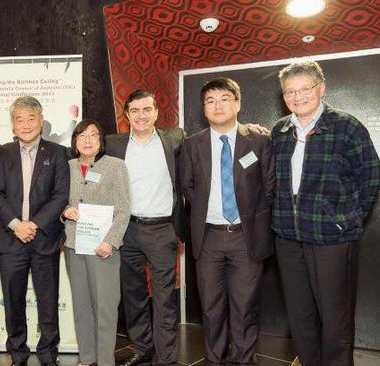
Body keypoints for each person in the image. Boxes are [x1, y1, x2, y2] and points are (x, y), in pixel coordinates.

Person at [272, 61, 380, 366]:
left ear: (321, 88)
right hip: (288, 239)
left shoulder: (347, 126)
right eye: (290, 91)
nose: (297, 96)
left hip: (332, 238)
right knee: (300, 315)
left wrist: (347, 220)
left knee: (336, 317)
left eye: (304, 89)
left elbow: (371, 176)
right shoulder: (279, 131)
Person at [179, 78, 274, 365]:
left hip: (246, 238)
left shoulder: (258, 141)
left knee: (245, 307)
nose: (217, 105)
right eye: (210, 101)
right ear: (204, 109)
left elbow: (270, 188)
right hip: (208, 238)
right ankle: (215, 359)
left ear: (237, 103)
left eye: (223, 98)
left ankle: (245, 360)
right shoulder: (191, 144)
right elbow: (188, 187)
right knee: (211, 307)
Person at [105, 89, 187, 366]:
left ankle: (166, 358)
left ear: (156, 112)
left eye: (147, 109)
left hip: (162, 230)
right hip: (126, 229)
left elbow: (207, 141)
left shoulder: (175, 138)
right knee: (133, 294)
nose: (141, 115)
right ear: (127, 115)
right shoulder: (113, 144)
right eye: (135, 111)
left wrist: (250, 129)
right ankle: (142, 347)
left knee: (164, 299)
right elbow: (83, 149)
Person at [0, 96, 69, 366]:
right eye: (19, 119)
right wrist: (16, 225)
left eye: (30, 118)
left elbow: (60, 196)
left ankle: (48, 353)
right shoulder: (1, 153)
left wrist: (33, 225)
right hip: (11, 239)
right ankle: (18, 353)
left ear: (41, 120)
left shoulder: (57, 152)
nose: (25, 124)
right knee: (13, 302)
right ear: (12, 124)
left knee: (48, 300)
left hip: (44, 239)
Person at [61, 119, 130, 366]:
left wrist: (110, 242)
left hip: (104, 248)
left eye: (93, 135)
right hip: (74, 245)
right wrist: (65, 211)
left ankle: (105, 361)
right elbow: (59, 199)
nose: (87, 140)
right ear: (75, 141)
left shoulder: (115, 166)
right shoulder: (66, 166)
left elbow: (123, 210)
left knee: (105, 307)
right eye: (82, 136)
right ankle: (87, 358)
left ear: (101, 140)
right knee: (81, 305)